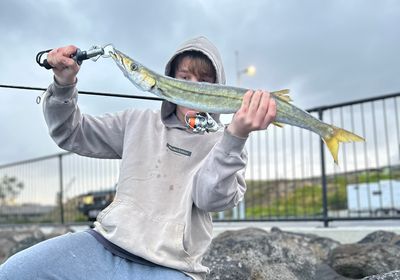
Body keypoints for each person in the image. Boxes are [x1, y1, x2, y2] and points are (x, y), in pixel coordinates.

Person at [0, 36, 276, 280]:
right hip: (105, 245)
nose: (194, 87)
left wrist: (236, 136)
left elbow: (212, 199)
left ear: (219, 89)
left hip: (172, 266)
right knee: (15, 271)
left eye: (205, 81)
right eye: (184, 78)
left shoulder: (224, 141)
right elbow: (71, 133)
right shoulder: (137, 122)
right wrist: (63, 84)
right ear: (169, 79)